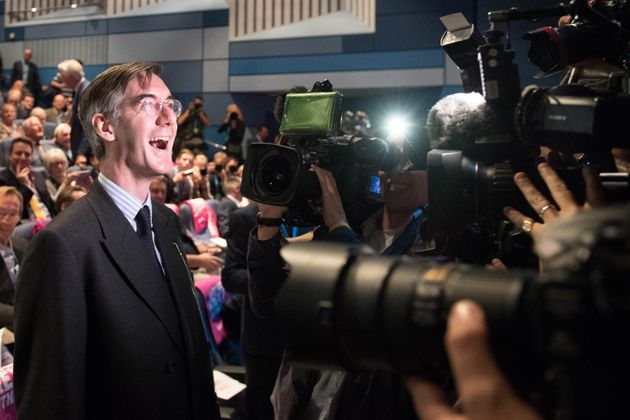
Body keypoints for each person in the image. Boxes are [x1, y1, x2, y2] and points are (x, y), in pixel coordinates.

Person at [13, 61, 220, 419]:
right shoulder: (63, 246)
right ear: (105, 126)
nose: (169, 117)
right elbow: (51, 401)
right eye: (149, 104)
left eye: (171, 104)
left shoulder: (167, 223)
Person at [0, 137, 54, 221]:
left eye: (27, 154)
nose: (23, 157)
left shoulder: (39, 174)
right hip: (25, 225)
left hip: (49, 221)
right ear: (10, 156)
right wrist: (24, 185)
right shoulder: (2, 178)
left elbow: (50, 204)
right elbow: (13, 211)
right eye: (18, 153)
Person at [0, 186, 27, 330]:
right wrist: (26, 316)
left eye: (12, 214)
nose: (5, 221)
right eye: (0, 213)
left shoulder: (21, 245)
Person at [58, 59, 90, 159]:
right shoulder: (79, 89)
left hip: (87, 153)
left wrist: (81, 153)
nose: (61, 79)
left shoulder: (85, 91)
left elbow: (89, 126)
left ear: (71, 77)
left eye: (62, 75)